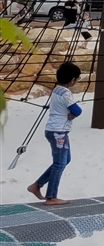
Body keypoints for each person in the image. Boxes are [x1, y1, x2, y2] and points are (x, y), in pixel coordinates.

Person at [27, 61, 83, 205]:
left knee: (65, 160)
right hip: (59, 132)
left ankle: (37, 185)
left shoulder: (56, 89)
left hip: (53, 130)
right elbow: (77, 110)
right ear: (72, 80)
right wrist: (73, 114)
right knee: (59, 163)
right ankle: (51, 197)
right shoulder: (66, 93)